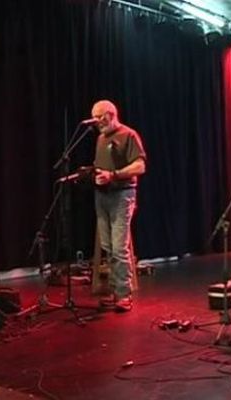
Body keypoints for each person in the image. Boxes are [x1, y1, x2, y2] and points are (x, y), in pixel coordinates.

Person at [91, 100, 146, 312]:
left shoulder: (129, 135)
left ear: (111, 114)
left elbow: (140, 166)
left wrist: (113, 175)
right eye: (94, 118)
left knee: (119, 247)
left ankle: (124, 294)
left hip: (122, 195)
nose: (97, 122)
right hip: (102, 196)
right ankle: (114, 291)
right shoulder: (100, 139)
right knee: (108, 246)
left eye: (100, 117)